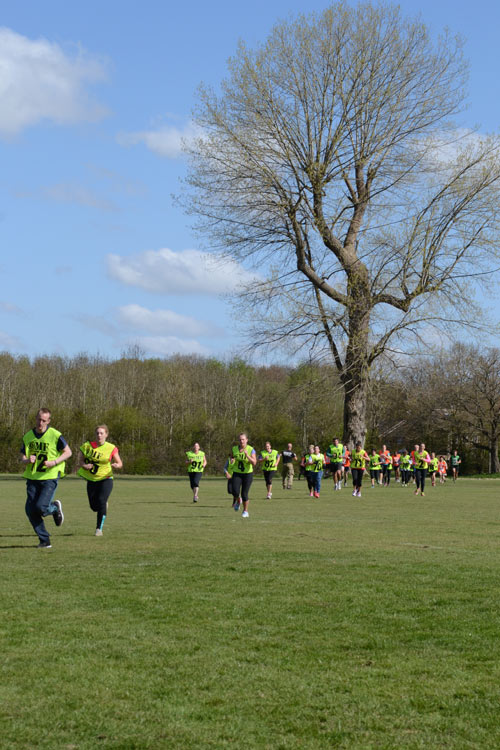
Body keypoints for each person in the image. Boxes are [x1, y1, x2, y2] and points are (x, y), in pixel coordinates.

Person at [21, 408, 72, 548]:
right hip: (33, 477)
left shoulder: (55, 435)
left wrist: (54, 462)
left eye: (44, 420)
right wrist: (27, 460)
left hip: (49, 477)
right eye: (38, 419)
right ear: (35, 418)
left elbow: (68, 452)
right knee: (30, 510)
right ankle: (44, 540)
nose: (40, 423)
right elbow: (22, 457)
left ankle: (54, 508)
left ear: (48, 421)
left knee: (41, 508)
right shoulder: (28, 436)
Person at [77, 424, 123, 535]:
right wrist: (84, 465)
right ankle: (103, 506)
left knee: (102, 501)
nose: (99, 435)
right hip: (92, 479)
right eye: (97, 433)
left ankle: (99, 529)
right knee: (94, 507)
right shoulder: (87, 446)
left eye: (101, 433)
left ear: (106, 435)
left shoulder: (111, 448)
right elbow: (80, 461)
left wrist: (117, 465)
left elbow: (120, 463)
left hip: (106, 478)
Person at [230, 433, 257, 517]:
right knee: (234, 491)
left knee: (244, 494)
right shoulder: (234, 448)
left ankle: (245, 511)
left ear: (246, 440)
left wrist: (247, 455)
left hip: (247, 474)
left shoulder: (251, 449)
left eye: (243, 439)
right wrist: (232, 459)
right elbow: (232, 456)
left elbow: (254, 462)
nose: (241, 441)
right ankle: (238, 501)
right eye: (240, 439)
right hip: (237, 473)